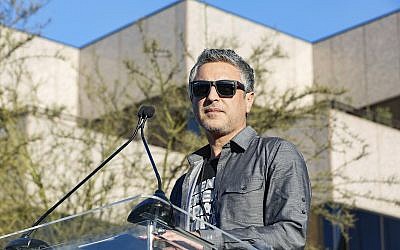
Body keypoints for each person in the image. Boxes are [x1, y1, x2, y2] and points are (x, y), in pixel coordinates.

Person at [169, 49, 311, 249]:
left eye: (225, 88)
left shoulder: (275, 154)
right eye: (201, 88)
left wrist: (207, 239)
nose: (211, 97)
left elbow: (290, 236)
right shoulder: (184, 182)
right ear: (192, 100)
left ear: (248, 100)